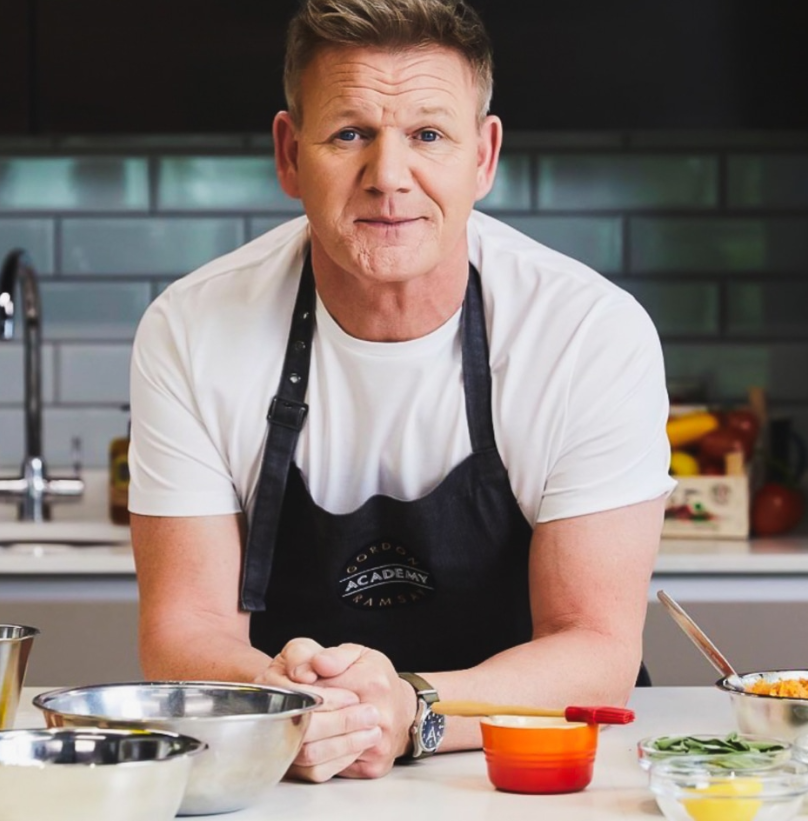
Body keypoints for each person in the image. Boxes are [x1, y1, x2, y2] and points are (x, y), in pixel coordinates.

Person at [127, 0, 674, 784]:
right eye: (350, 133)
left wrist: (411, 708)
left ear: (483, 155)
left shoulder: (586, 333)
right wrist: (297, 708)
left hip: (526, 773)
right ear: (288, 153)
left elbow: (595, 647)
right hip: (296, 776)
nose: (388, 177)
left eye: (428, 135)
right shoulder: (191, 329)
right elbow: (183, 629)